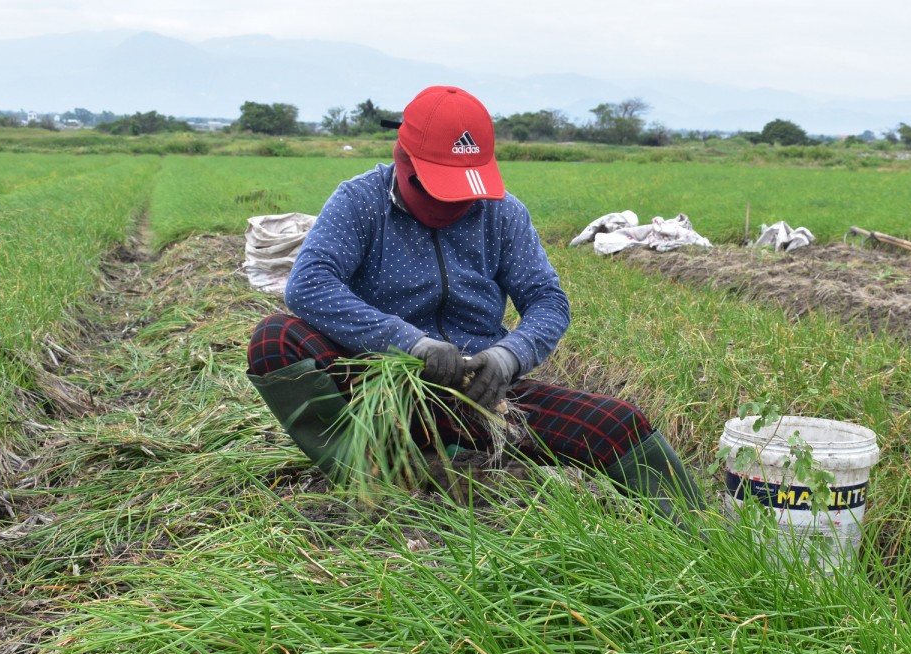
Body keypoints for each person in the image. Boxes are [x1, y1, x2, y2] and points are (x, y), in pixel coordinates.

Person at [246, 85, 702, 516]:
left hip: (482, 396)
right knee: (275, 339)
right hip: (382, 390)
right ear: (403, 159)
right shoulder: (360, 202)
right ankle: (375, 473)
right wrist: (410, 344)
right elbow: (308, 284)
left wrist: (507, 358)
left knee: (617, 423)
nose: (455, 205)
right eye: (440, 189)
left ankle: (699, 528)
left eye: (465, 191)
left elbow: (548, 301)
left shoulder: (502, 212)